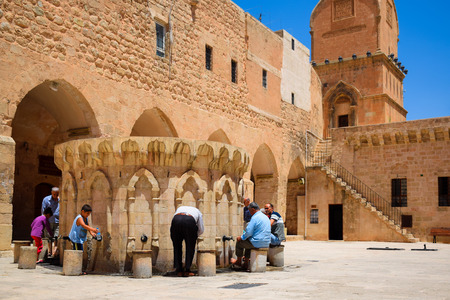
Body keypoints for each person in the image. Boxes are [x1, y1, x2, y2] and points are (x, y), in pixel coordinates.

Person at [230, 202, 270, 269]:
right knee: (249, 242)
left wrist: (241, 237)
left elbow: (249, 232)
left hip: (257, 242)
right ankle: (245, 263)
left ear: (253, 209)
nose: (250, 213)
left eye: (250, 211)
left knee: (240, 242)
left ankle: (239, 261)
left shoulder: (255, 217)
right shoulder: (265, 217)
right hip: (266, 242)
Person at [170, 206, 204, 277]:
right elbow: (201, 228)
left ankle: (179, 270)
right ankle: (187, 270)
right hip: (189, 220)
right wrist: (194, 236)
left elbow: (173, 220)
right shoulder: (198, 212)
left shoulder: (180, 208)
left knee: (177, 246)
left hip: (176, 220)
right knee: (190, 247)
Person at [41, 187, 60, 256]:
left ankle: (54, 251)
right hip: (48, 221)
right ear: (51, 193)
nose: (55, 196)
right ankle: (49, 251)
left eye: (57, 194)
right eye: (54, 194)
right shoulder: (46, 200)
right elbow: (43, 210)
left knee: (56, 237)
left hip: (57, 221)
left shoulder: (60, 200)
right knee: (48, 237)